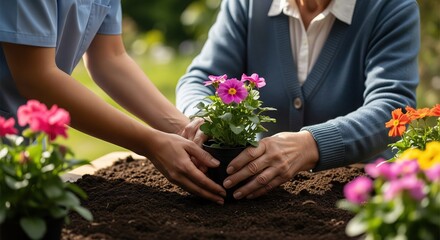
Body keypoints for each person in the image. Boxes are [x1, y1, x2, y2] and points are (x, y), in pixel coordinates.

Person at [176, 0, 420, 200]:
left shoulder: (390, 7)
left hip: (360, 193)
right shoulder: (247, 4)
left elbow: (393, 109)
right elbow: (199, 79)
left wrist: (310, 145)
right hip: (266, 191)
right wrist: (207, 115)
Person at [0, 0, 226, 205]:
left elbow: (109, 58)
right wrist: (150, 143)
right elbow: (36, 77)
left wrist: (185, 130)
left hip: (26, 145)